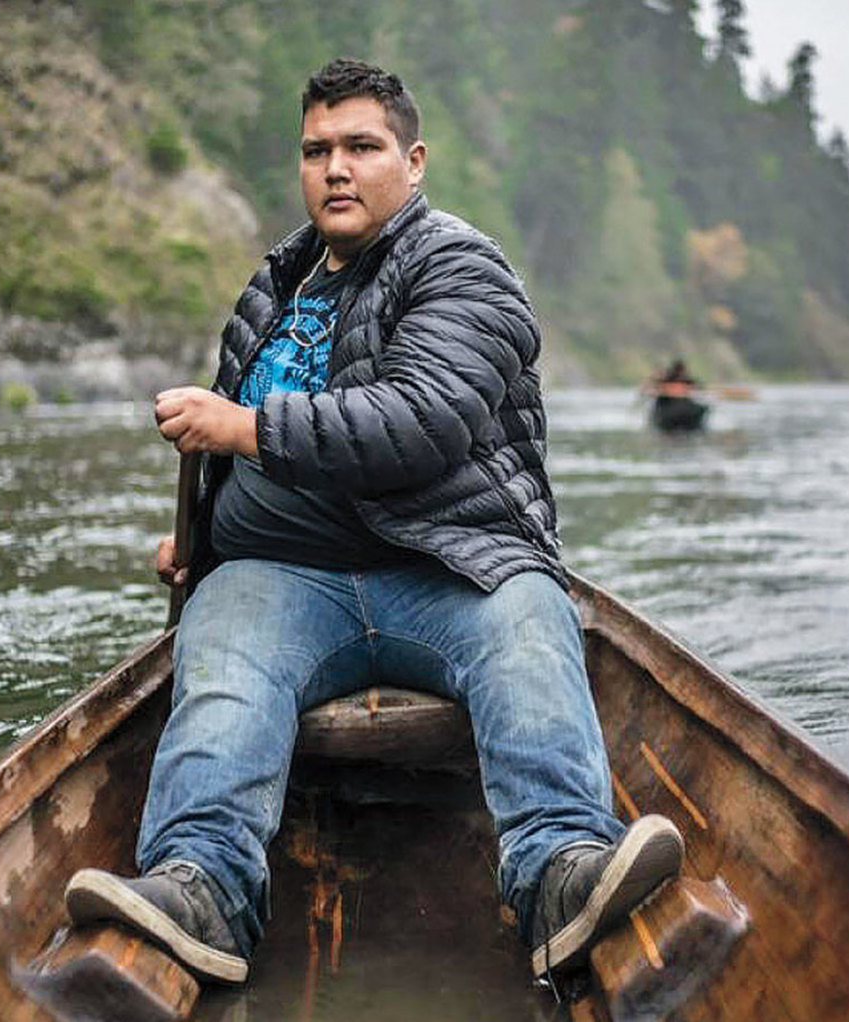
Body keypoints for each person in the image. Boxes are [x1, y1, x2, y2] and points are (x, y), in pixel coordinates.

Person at [64, 58, 683, 990]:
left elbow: (416, 424)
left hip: (451, 568)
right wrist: (205, 536)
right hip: (281, 577)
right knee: (220, 651)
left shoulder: (466, 269)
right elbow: (246, 450)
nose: (336, 169)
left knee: (530, 622)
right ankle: (205, 889)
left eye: (362, 146)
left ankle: (559, 874)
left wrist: (243, 425)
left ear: (415, 159)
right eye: (318, 151)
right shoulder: (277, 284)